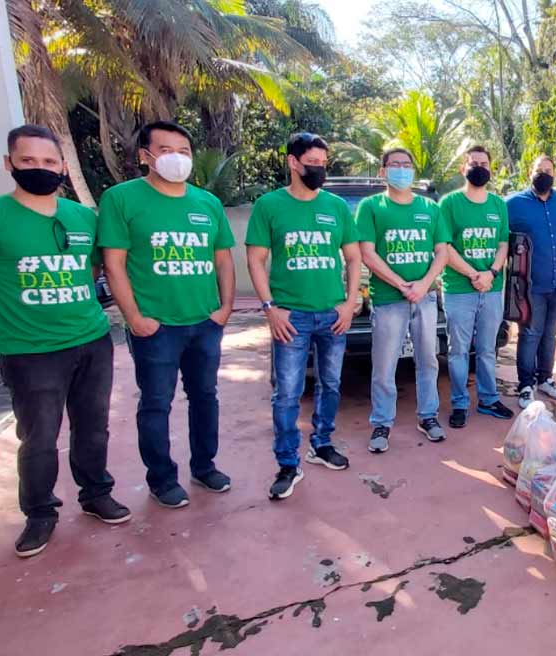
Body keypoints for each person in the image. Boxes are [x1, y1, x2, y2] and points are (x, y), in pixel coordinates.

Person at [0, 125, 130, 558]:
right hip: (29, 349)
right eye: (28, 161)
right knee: (38, 436)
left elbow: (93, 270)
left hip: (91, 340)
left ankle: (95, 493)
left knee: (93, 427)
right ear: (10, 164)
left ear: (62, 167)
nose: (41, 169)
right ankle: (40, 513)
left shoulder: (81, 217)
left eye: (49, 161)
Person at [100, 120, 236, 509]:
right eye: (165, 150)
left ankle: (204, 465)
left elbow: (223, 259)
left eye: (183, 151)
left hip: (204, 322)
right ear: (145, 156)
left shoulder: (206, 203)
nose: (176, 158)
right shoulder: (121, 199)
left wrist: (224, 308)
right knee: (157, 402)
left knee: (205, 396)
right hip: (155, 327)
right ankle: (161, 478)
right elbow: (114, 264)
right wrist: (135, 318)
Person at [245, 133, 362, 500]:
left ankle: (322, 444)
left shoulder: (337, 207)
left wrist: (350, 301)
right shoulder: (269, 206)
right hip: (290, 317)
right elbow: (256, 259)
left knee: (331, 384)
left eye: (323, 163)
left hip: (332, 314)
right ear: (293, 163)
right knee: (288, 394)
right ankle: (287, 463)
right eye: (312, 162)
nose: (319, 169)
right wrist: (270, 308)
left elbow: (354, 257)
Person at [356, 148, 449, 453]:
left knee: (428, 361)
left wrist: (423, 285)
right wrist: (400, 284)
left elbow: (442, 252)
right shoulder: (371, 207)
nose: (401, 170)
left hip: (423, 298)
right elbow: (368, 254)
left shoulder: (430, 208)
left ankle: (428, 416)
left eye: (406, 165)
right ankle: (382, 422)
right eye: (394, 165)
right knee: (384, 366)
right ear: (382, 171)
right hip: (388, 300)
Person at [441, 145, 514, 428]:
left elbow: (503, 244)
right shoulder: (449, 203)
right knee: (458, 350)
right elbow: (445, 247)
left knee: (487, 349)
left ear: (490, 169)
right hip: (460, 289)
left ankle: (488, 399)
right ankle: (459, 403)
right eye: (473, 163)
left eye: (484, 163)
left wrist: (491, 273)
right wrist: (474, 274)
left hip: (492, 288)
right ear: (463, 168)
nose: (479, 167)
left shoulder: (498, 205)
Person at [507, 155, 556, 408]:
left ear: (555, 174)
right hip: (531, 284)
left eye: (548, 170)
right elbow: (498, 236)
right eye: (539, 170)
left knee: (551, 334)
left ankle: (545, 378)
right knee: (531, 333)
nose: (544, 174)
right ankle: (526, 385)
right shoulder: (513, 204)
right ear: (530, 172)